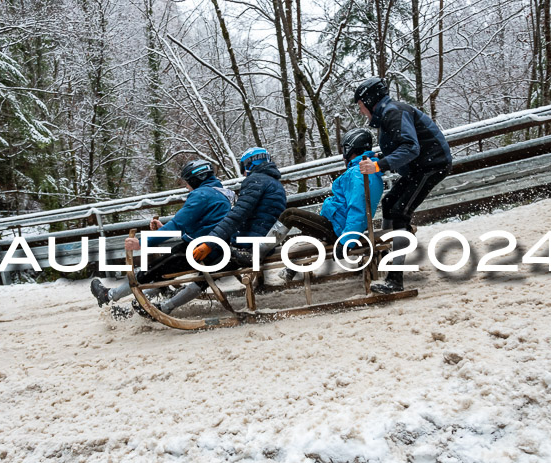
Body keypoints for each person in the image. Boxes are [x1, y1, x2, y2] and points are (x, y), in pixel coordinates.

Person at [90, 160, 233, 312]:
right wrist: (164, 228)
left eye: (187, 182)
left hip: (201, 250)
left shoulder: (202, 195)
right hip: (218, 248)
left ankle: (109, 295)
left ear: (196, 179)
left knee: (152, 270)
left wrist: (140, 243)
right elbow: (204, 226)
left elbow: (177, 225)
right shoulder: (221, 193)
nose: (186, 186)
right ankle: (135, 308)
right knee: (164, 271)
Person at [157, 148, 287, 314]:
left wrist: (210, 242)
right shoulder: (274, 183)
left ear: (249, 164)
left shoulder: (256, 181)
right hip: (260, 243)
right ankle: (165, 301)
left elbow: (237, 215)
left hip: (247, 247)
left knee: (206, 264)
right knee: (209, 263)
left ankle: (166, 306)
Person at [354, 77, 452, 293]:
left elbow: (410, 147)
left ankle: (395, 280)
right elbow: (400, 146)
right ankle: (387, 257)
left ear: (370, 100)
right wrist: (380, 156)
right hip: (418, 166)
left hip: (432, 165)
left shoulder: (393, 112)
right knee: (389, 202)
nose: (361, 111)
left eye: (361, 105)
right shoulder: (387, 115)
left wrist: (378, 165)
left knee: (400, 212)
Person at [256, 128, 384, 281]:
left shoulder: (357, 173)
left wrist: (345, 241)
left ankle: (258, 252)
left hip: (339, 230)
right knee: (309, 226)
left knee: (290, 214)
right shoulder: (365, 169)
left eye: (344, 149)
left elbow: (359, 209)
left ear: (351, 148)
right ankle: (291, 268)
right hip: (338, 225)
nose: (343, 153)